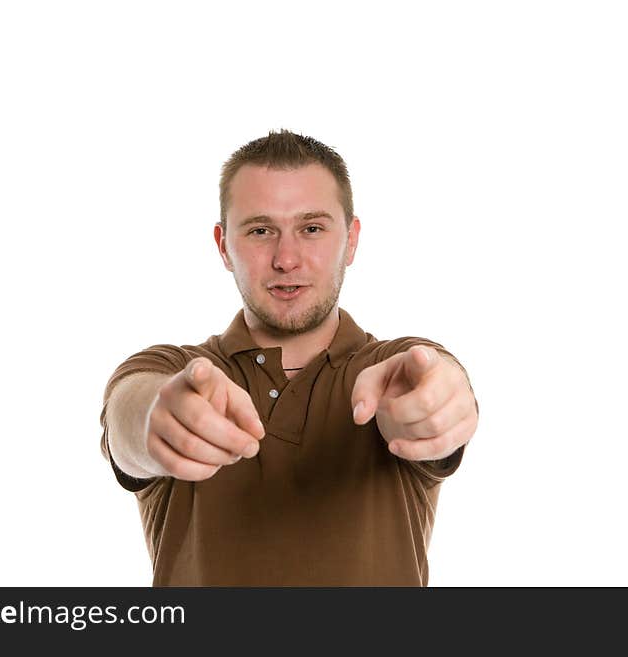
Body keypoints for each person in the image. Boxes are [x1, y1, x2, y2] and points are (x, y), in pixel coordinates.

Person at [99, 129, 479, 586]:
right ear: (223, 245)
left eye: (312, 228)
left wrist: (437, 406)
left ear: (351, 240)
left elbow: (437, 378)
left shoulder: (394, 368)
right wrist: (155, 421)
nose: (286, 258)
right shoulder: (173, 373)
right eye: (261, 231)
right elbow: (128, 416)